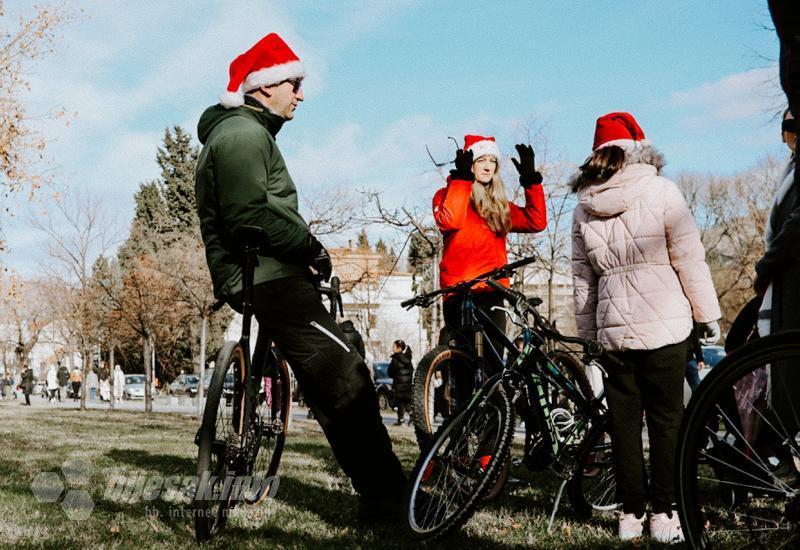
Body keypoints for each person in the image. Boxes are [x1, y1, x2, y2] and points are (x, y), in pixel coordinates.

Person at [194, 32, 405, 521]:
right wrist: (309, 247)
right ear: (265, 88)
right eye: (295, 83)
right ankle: (390, 498)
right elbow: (248, 215)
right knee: (346, 375)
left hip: (266, 274)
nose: (301, 95)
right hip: (270, 277)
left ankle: (380, 493)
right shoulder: (243, 136)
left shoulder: (242, 134)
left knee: (334, 372)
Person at [571, 112, 721, 544]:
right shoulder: (662, 191)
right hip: (665, 322)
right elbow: (688, 258)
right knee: (666, 421)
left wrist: (588, 336)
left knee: (622, 424)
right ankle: (665, 512)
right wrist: (706, 314)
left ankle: (630, 513)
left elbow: (583, 278)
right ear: (637, 148)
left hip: (614, 328)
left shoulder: (585, 204)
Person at [433, 135, 547, 405]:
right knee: (463, 367)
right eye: (481, 160)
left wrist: (531, 182)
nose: (487, 166)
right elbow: (449, 220)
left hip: (493, 292)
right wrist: (461, 179)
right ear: (470, 163)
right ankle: (463, 438)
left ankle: (491, 442)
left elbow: (536, 221)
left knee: (493, 369)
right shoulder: (447, 195)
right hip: (459, 293)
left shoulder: (498, 205)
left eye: (493, 161)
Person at [387, 340, 413, 425]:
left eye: (394, 346)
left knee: (400, 402)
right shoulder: (408, 358)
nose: (392, 348)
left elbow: (390, 372)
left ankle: (400, 420)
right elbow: (411, 370)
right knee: (407, 401)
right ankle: (412, 415)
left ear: (399, 348)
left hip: (398, 384)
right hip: (408, 385)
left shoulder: (396, 359)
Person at [684, 324, 705, 393]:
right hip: (675, 359)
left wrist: (700, 359)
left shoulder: (691, 317)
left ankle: (697, 403)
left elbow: (696, 339)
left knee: (698, 388)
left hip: (689, 358)